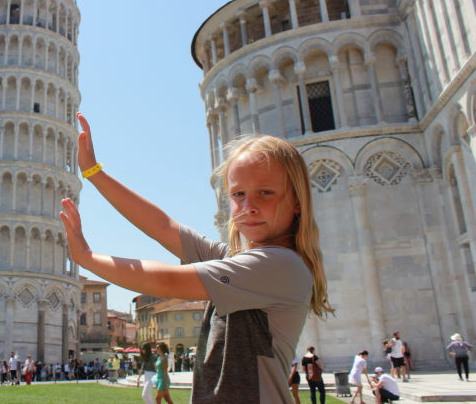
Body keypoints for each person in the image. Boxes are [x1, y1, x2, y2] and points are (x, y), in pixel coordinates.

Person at [59, 114, 334, 403]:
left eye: (265, 193)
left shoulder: (280, 266)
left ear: (297, 202)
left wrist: (87, 258)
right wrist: (93, 172)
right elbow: (164, 227)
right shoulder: (241, 259)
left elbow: (167, 281)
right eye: (238, 194)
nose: (248, 206)